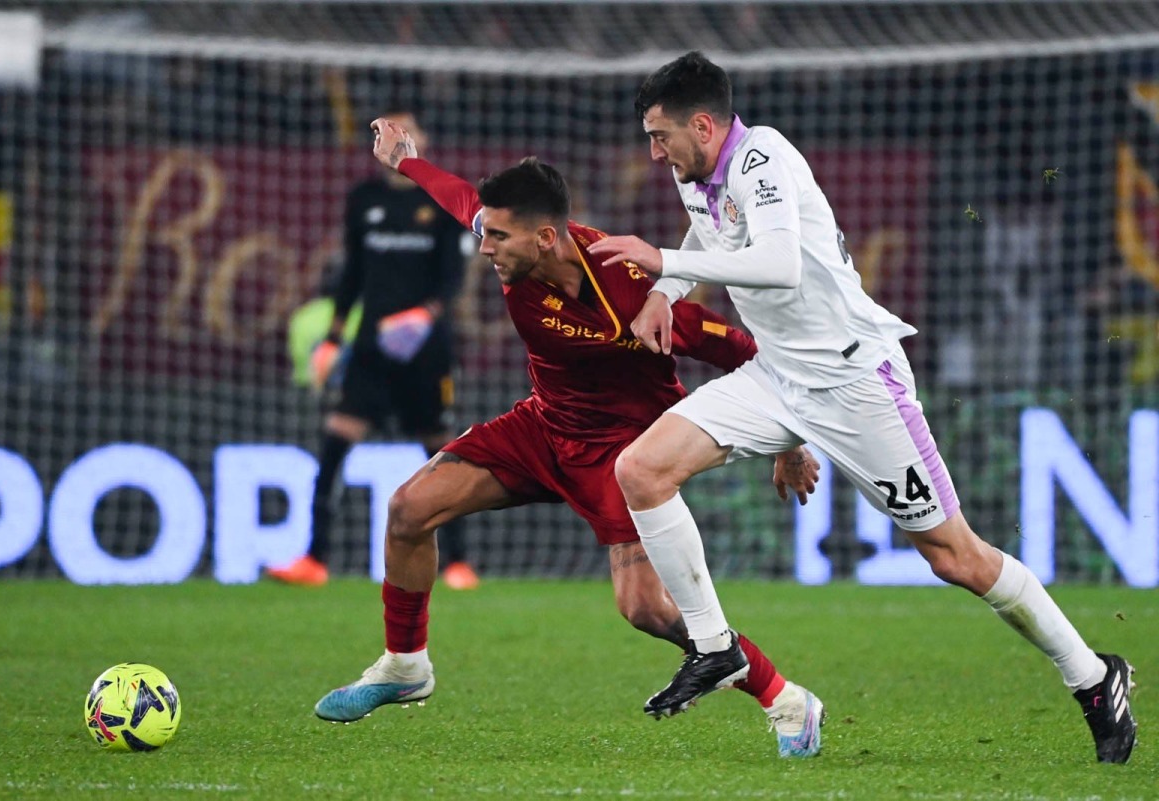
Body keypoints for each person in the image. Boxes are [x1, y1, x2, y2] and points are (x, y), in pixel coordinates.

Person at [586, 51, 1137, 764]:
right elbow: (710, 232)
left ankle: (1094, 677)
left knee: (954, 555)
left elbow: (779, 264)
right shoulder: (699, 172)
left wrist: (660, 262)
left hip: (854, 381)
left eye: (660, 136)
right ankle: (716, 647)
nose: (653, 151)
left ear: (703, 124)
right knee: (642, 469)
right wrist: (668, 292)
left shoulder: (764, 158)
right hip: (778, 374)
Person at [313, 116, 827, 759]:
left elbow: (746, 350)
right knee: (408, 509)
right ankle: (405, 665)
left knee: (645, 609)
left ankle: (787, 700)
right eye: (487, 233)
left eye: (499, 237)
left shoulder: (630, 289)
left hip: (623, 453)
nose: (486, 246)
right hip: (544, 426)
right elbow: (461, 201)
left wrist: (788, 442)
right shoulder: (512, 247)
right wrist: (406, 162)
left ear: (547, 236)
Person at [267, 110, 479, 590]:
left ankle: (459, 562)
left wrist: (425, 315)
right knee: (335, 440)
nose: (395, 140)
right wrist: (334, 337)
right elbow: (353, 275)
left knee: (441, 449)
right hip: (371, 349)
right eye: (386, 132)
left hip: (425, 347)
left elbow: (452, 278)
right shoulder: (364, 200)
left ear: (421, 141)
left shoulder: (440, 199)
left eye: (406, 131)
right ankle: (314, 558)